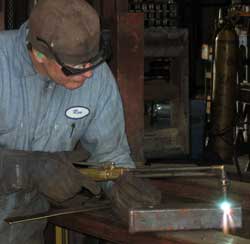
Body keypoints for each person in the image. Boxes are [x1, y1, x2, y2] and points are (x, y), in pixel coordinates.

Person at [0, 0, 161, 243]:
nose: (88, 73)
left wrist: (118, 182)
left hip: (22, 233)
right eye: (75, 67)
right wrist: (25, 168)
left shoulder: (96, 79)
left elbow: (109, 155)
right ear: (40, 54)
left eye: (93, 61)